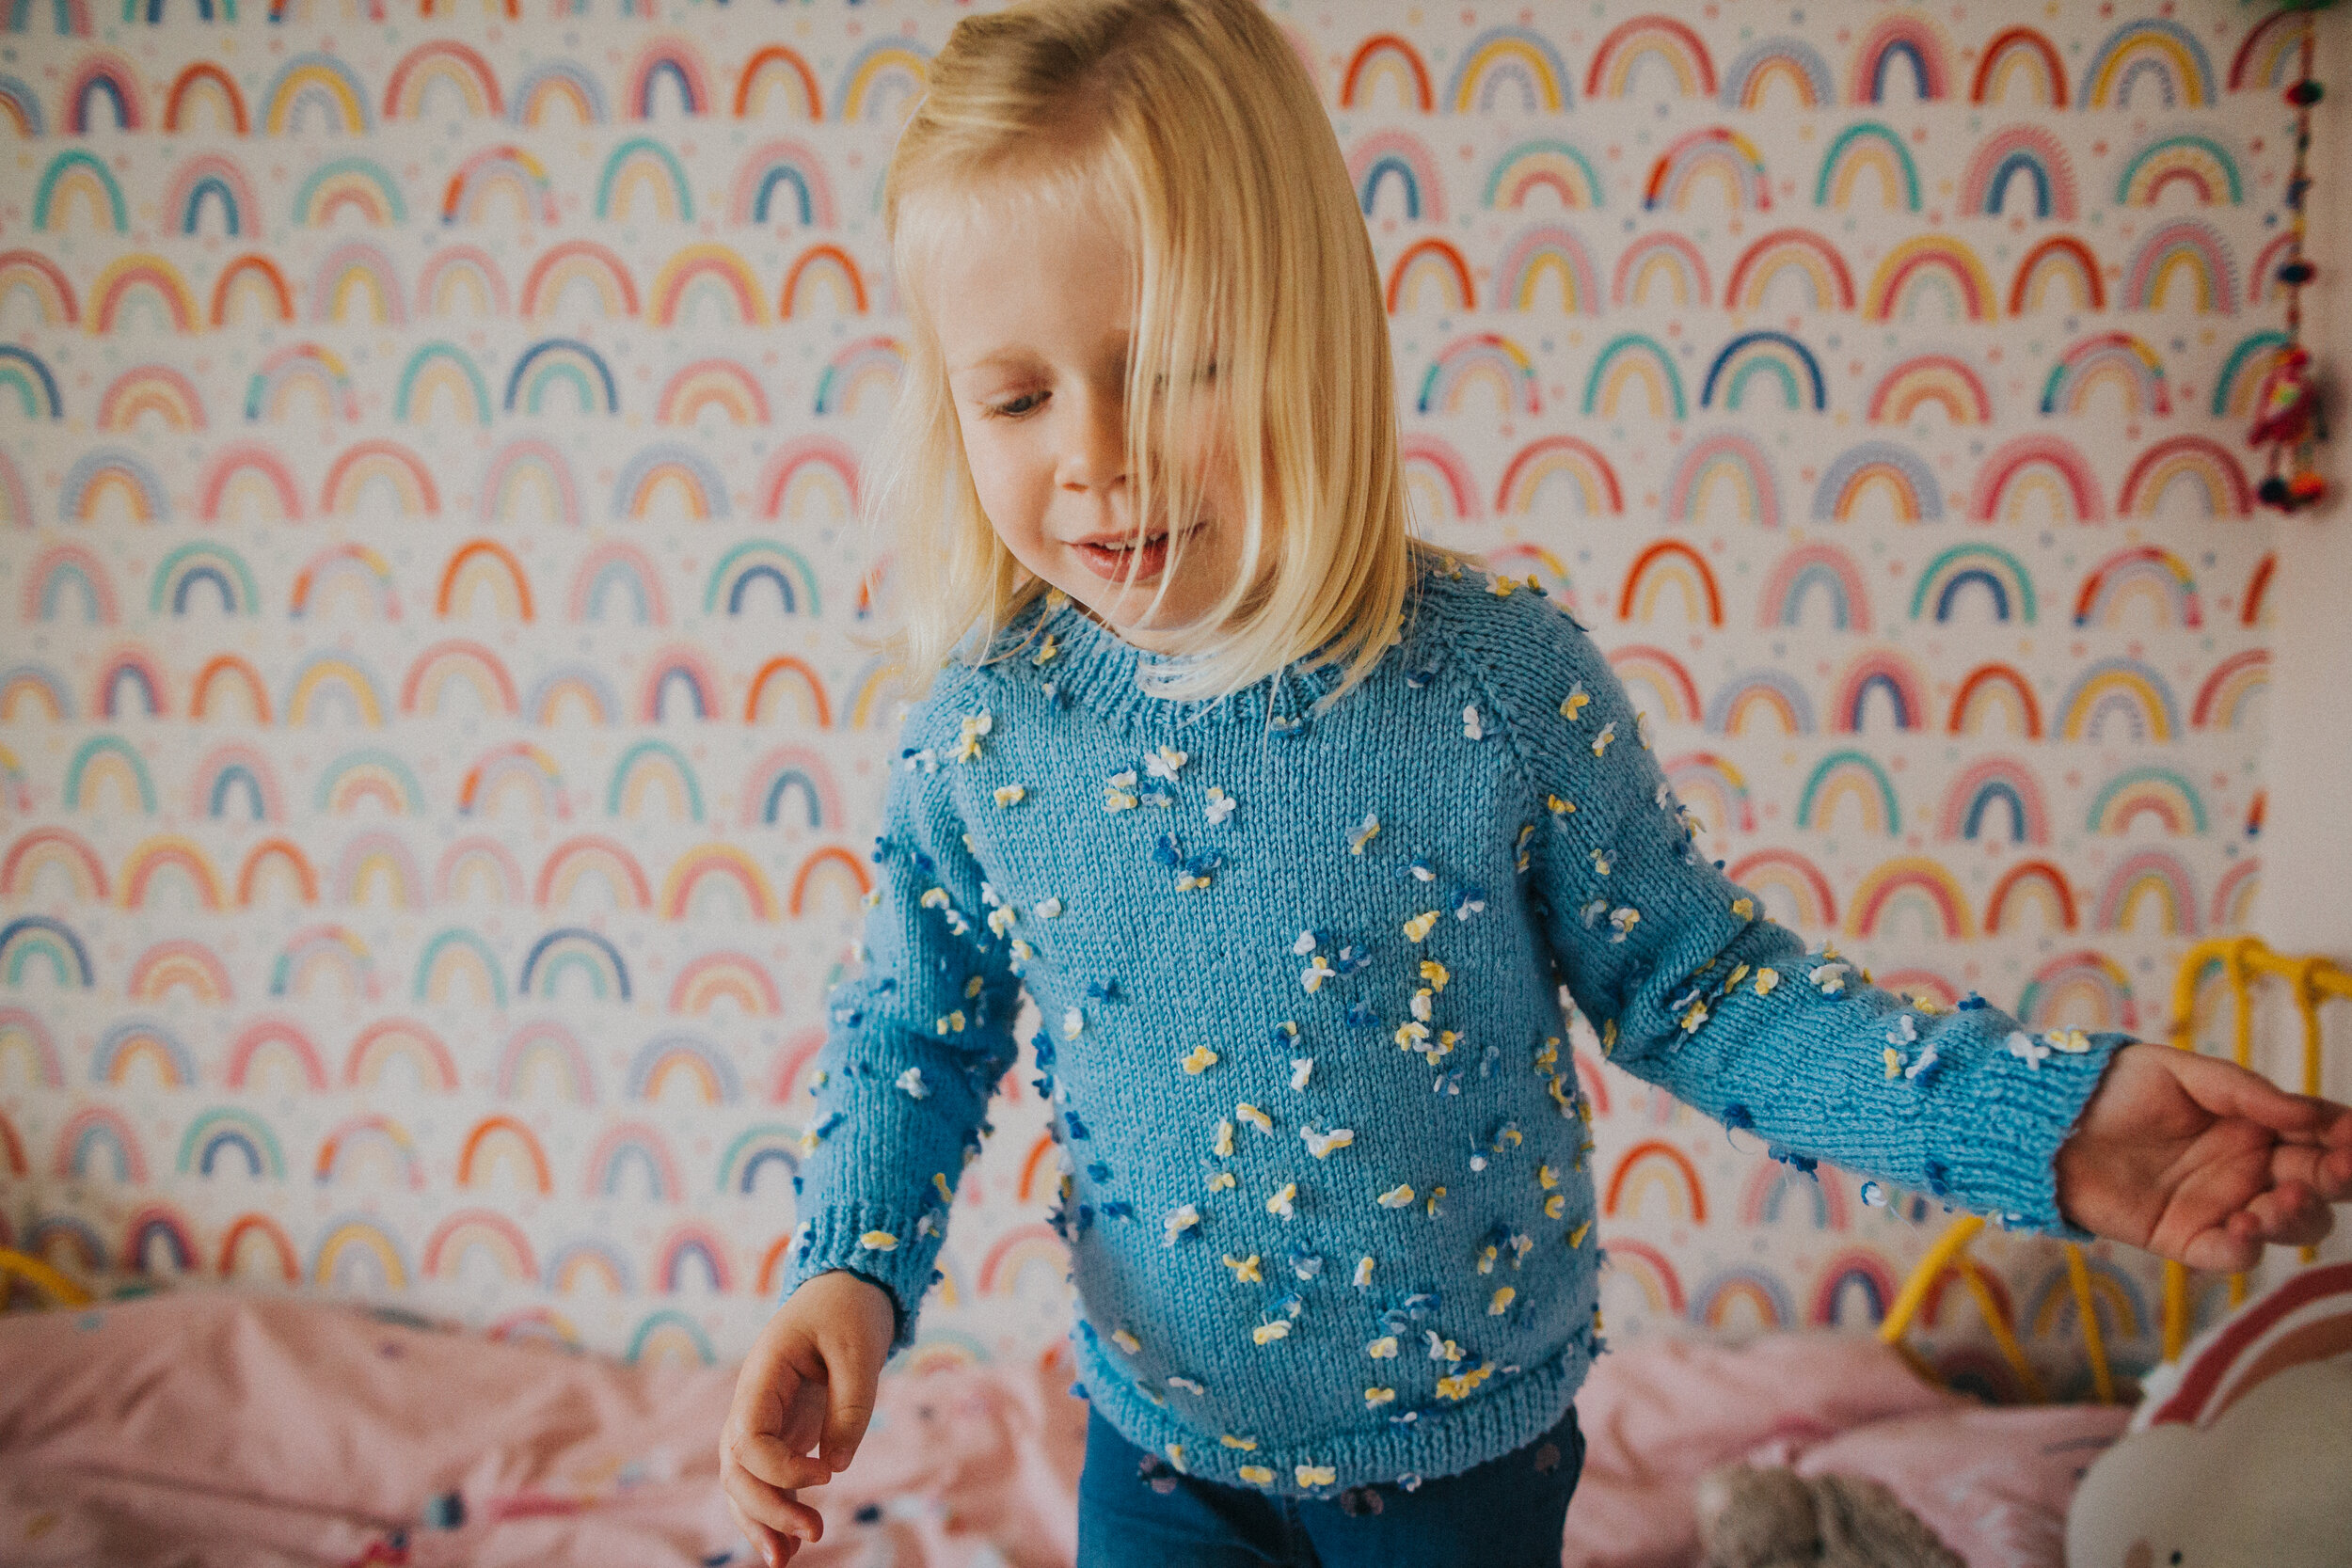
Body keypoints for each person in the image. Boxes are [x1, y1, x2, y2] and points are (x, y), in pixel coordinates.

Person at [718, 2, 2352, 1562]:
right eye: (1014, 394)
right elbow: (916, 1030)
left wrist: (2041, 1126)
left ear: (1299, 329)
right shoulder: (985, 737)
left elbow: (1705, 995)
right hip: (1160, 1449)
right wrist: (845, 1271)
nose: (1091, 455)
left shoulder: (1493, 682)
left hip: (1469, 1458)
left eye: (1163, 367)